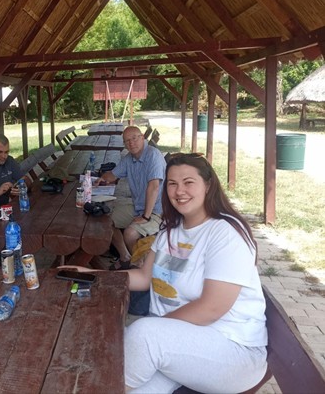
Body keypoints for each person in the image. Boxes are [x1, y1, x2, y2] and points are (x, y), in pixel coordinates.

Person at [64, 153, 268, 392]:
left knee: (140, 337)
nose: (179, 191)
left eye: (188, 182)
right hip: (179, 346)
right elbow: (143, 278)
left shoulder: (225, 233)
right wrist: (91, 274)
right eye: (172, 183)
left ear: (209, 185)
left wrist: (158, 329)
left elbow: (212, 308)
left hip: (232, 351)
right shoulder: (172, 231)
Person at [97, 125, 166, 270]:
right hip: (138, 207)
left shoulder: (153, 155)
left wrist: (146, 216)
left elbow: (154, 187)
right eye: (127, 141)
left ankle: (140, 268)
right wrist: (101, 178)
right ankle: (125, 257)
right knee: (106, 220)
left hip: (157, 211)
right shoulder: (129, 159)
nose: (131, 143)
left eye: (134, 138)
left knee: (130, 233)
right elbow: (113, 174)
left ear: (142, 137)